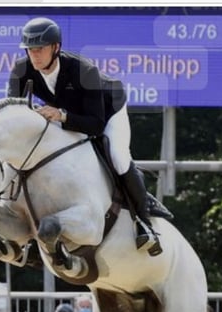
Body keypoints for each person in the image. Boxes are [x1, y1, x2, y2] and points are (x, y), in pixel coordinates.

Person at [8, 17, 161, 256]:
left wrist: (61, 115)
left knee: (117, 156)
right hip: (66, 113)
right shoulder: (21, 70)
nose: (34, 55)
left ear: (56, 47)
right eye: (30, 49)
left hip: (107, 111)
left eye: (40, 49)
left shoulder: (84, 70)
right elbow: (13, 112)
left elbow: (96, 125)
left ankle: (144, 223)